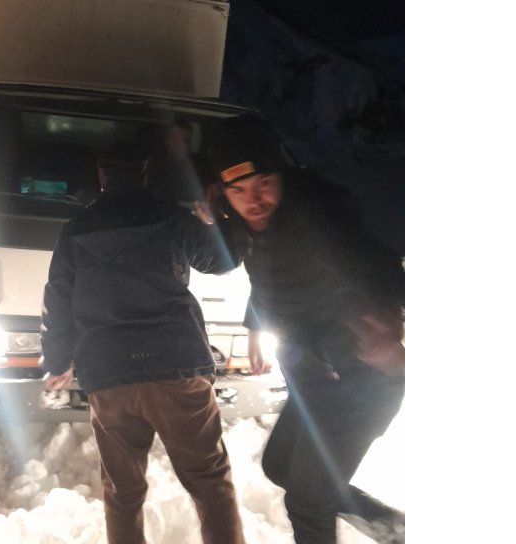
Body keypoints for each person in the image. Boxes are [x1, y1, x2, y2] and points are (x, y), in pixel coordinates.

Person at [206, 114, 406, 544]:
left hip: (360, 381)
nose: (253, 200)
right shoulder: (255, 226)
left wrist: (391, 319)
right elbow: (268, 280)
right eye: (238, 191)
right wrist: (257, 327)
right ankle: (393, 530)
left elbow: (380, 269)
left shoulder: (317, 220)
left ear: (282, 174)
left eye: (262, 183)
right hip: (318, 380)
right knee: (280, 468)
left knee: (307, 502)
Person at [41, 141, 246, 544]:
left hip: (109, 373)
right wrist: (217, 215)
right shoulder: (171, 216)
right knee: (209, 481)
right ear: (145, 170)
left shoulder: (77, 228)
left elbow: (58, 297)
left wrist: (58, 359)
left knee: (122, 491)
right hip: (176, 367)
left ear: (102, 176)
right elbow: (223, 259)